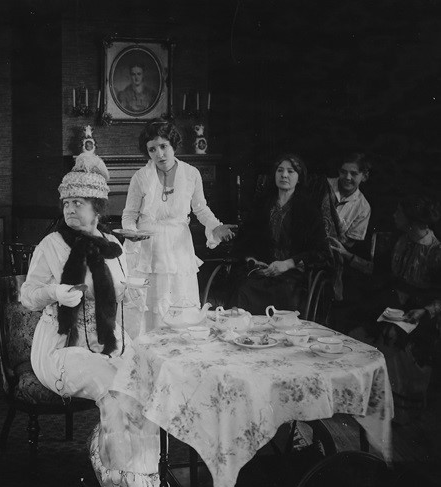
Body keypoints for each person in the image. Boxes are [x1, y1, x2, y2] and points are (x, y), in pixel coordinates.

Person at [20, 155, 160, 487]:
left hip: (106, 342)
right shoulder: (52, 245)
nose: (70, 209)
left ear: (97, 207)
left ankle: (137, 480)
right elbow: (27, 296)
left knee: (144, 385)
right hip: (62, 348)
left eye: (78, 203)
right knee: (115, 393)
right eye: (66, 202)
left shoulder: (113, 246)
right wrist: (54, 293)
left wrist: (130, 289)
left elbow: (121, 297)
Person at [121, 120, 236, 335]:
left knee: (179, 304)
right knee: (150, 306)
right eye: (152, 149)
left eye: (163, 146)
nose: (159, 154)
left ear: (174, 145)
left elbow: (201, 209)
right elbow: (129, 215)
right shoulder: (140, 177)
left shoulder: (191, 174)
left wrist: (216, 227)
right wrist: (132, 233)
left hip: (178, 247)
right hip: (149, 247)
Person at [345, 195, 441, 412]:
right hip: (391, 303)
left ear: (412, 220)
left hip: (420, 313)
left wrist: (425, 311)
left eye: (399, 212)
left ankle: (392, 408)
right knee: (359, 331)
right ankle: (359, 398)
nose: (394, 216)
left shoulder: (436, 251)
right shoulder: (401, 240)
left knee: (395, 340)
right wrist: (346, 256)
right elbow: (378, 271)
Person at [229, 153, 332, 315]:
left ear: (299, 178)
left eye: (290, 171)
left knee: (285, 293)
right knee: (243, 289)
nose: (284, 175)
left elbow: (321, 252)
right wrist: (251, 259)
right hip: (262, 270)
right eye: (280, 170)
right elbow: (244, 240)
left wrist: (287, 264)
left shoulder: (309, 210)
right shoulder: (262, 205)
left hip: (292, 275)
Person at [328, 153, 372, 249]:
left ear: (364, 176)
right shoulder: (323, 186)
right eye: (343, 172)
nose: (347, 177)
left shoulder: (363, 207)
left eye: (354, 173)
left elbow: (349, 243)